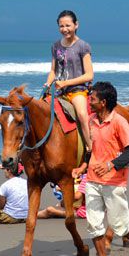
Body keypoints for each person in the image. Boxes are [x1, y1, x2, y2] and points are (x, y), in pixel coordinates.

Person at [74, 81, 129, 256]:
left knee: (119, 225)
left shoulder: (119, 122)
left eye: (92, 99)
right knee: (94, 225)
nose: (88, 102)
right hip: (92, 180)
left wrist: (109, 165)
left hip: (114, 181)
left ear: (103, 102)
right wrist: (83, 166)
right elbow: (91, 150)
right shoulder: (91, 121)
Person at [45, 10, 94, 151]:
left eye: (68, 25)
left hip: (77, 90)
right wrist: (48, 83)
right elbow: (53, 71)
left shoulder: (83, 46)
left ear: (76, 25)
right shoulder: (55, 46)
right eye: (61, 26)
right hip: (58, 89)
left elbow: (89, 75)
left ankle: (90, 148)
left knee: (81, 114)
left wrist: (66, 83)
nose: (64, 29)